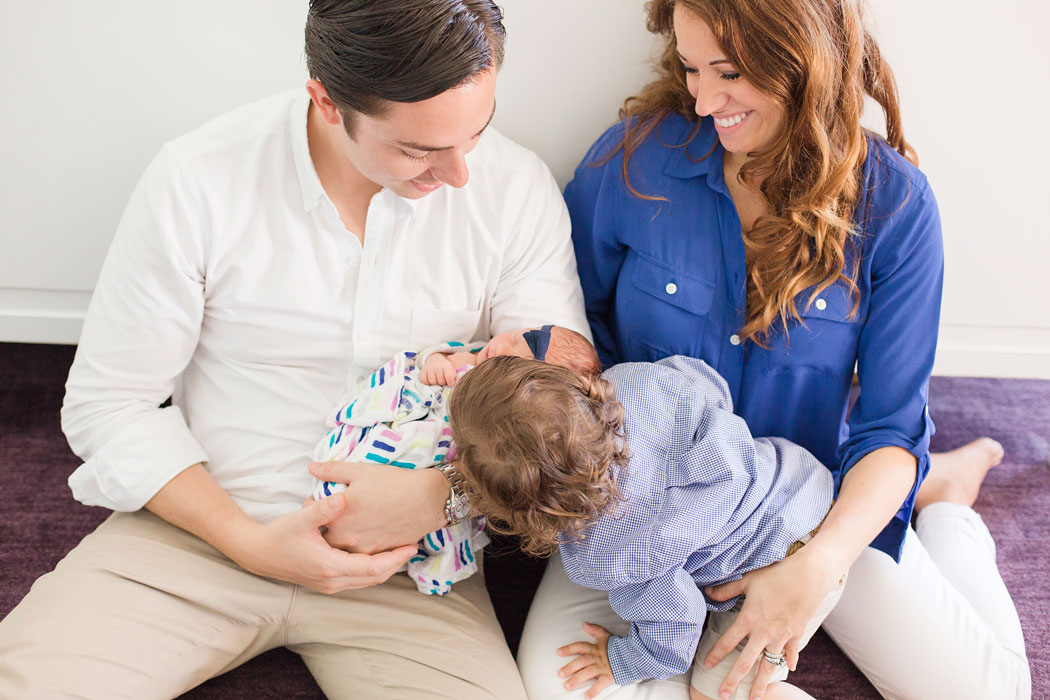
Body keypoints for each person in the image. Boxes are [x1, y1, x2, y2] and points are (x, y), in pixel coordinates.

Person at [0, 2, 590, 698]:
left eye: (476, 133)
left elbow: (565, 412)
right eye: (418, 150)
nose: (460, 174)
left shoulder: (515, 189)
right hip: (201, 536)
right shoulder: (200, 178)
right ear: (327, 101)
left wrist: (443, 492)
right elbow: (109, 404)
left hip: (414, 564)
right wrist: (247, 542)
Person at [518, 1, 1032, 700]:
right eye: (691, 68)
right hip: (632, 516)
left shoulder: (894, 207)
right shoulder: (632, 164)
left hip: (795, 511)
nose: (702, 101)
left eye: (728, 73)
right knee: (558, 689)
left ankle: (947, 505)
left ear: (803, 60)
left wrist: (815, 567)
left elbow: (890, 428)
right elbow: (578, 345)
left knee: (985, 694)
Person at [449, 354, 843, 700]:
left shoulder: (615, 554)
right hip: (802, 484)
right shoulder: (633, 383)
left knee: (715, 693)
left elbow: (675, 633)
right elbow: (710, 384)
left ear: (533, 523)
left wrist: (618, 661)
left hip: (782, 570)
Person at [310, 326, 600, 595]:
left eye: (511, 355)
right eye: (512, 335)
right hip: (418, 412)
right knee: (388, 443)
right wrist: (437, 362)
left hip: (446, 450)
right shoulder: (471, 356)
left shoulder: (514, 414)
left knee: (419, 464)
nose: (498, 345)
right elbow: (429, 357)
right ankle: (346, 481)